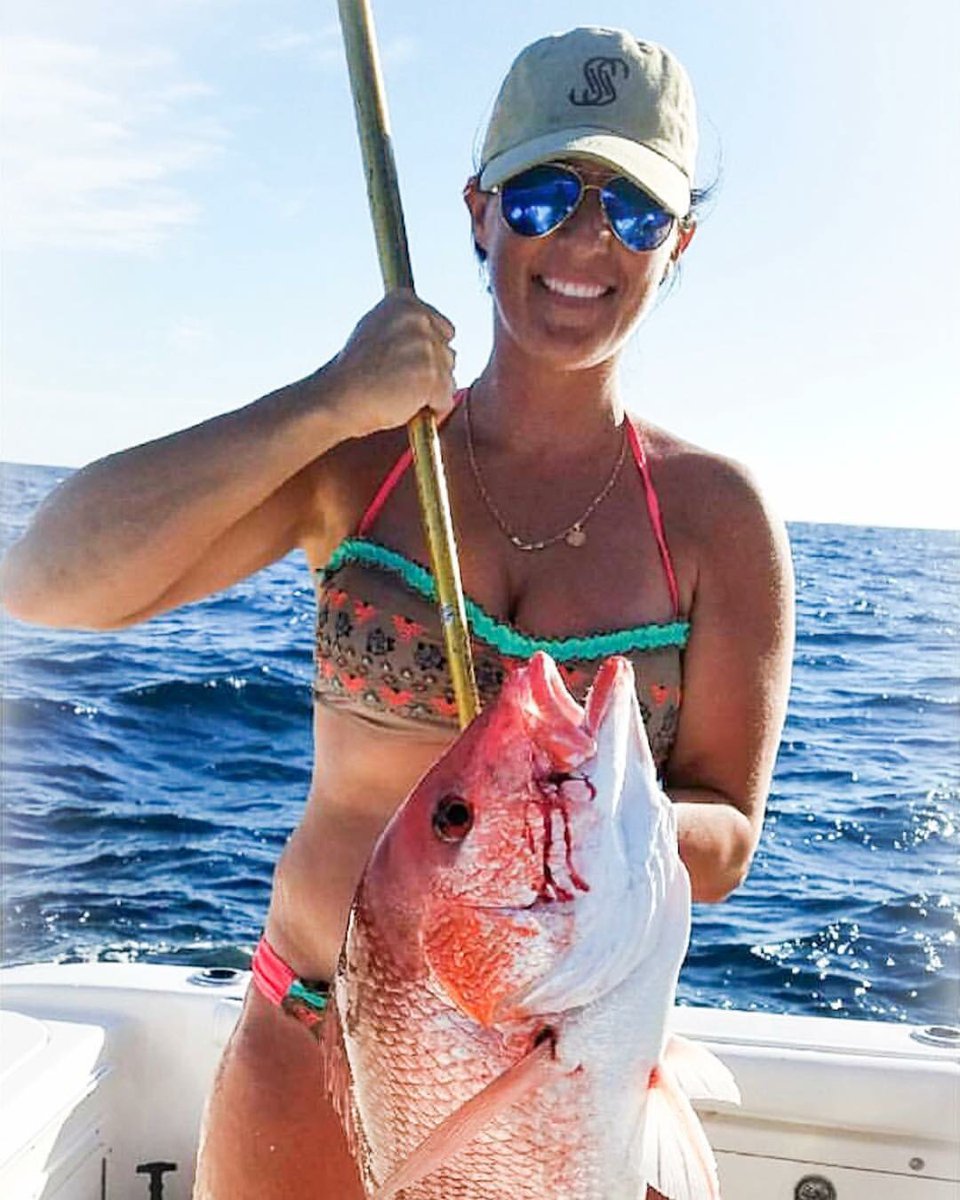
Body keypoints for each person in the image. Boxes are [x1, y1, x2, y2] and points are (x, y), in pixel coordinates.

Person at [0, 26, 794, 1200]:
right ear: (478, 213)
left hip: (562, 1061)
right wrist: (324, 399)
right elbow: (45, 578)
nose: (583, 239)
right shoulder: (366, 459)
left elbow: (726, 830)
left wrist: (572, 849)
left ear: (674, 247)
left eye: (631, 213)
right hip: (310, 1040)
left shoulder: (716, 518)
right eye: (542, 195)